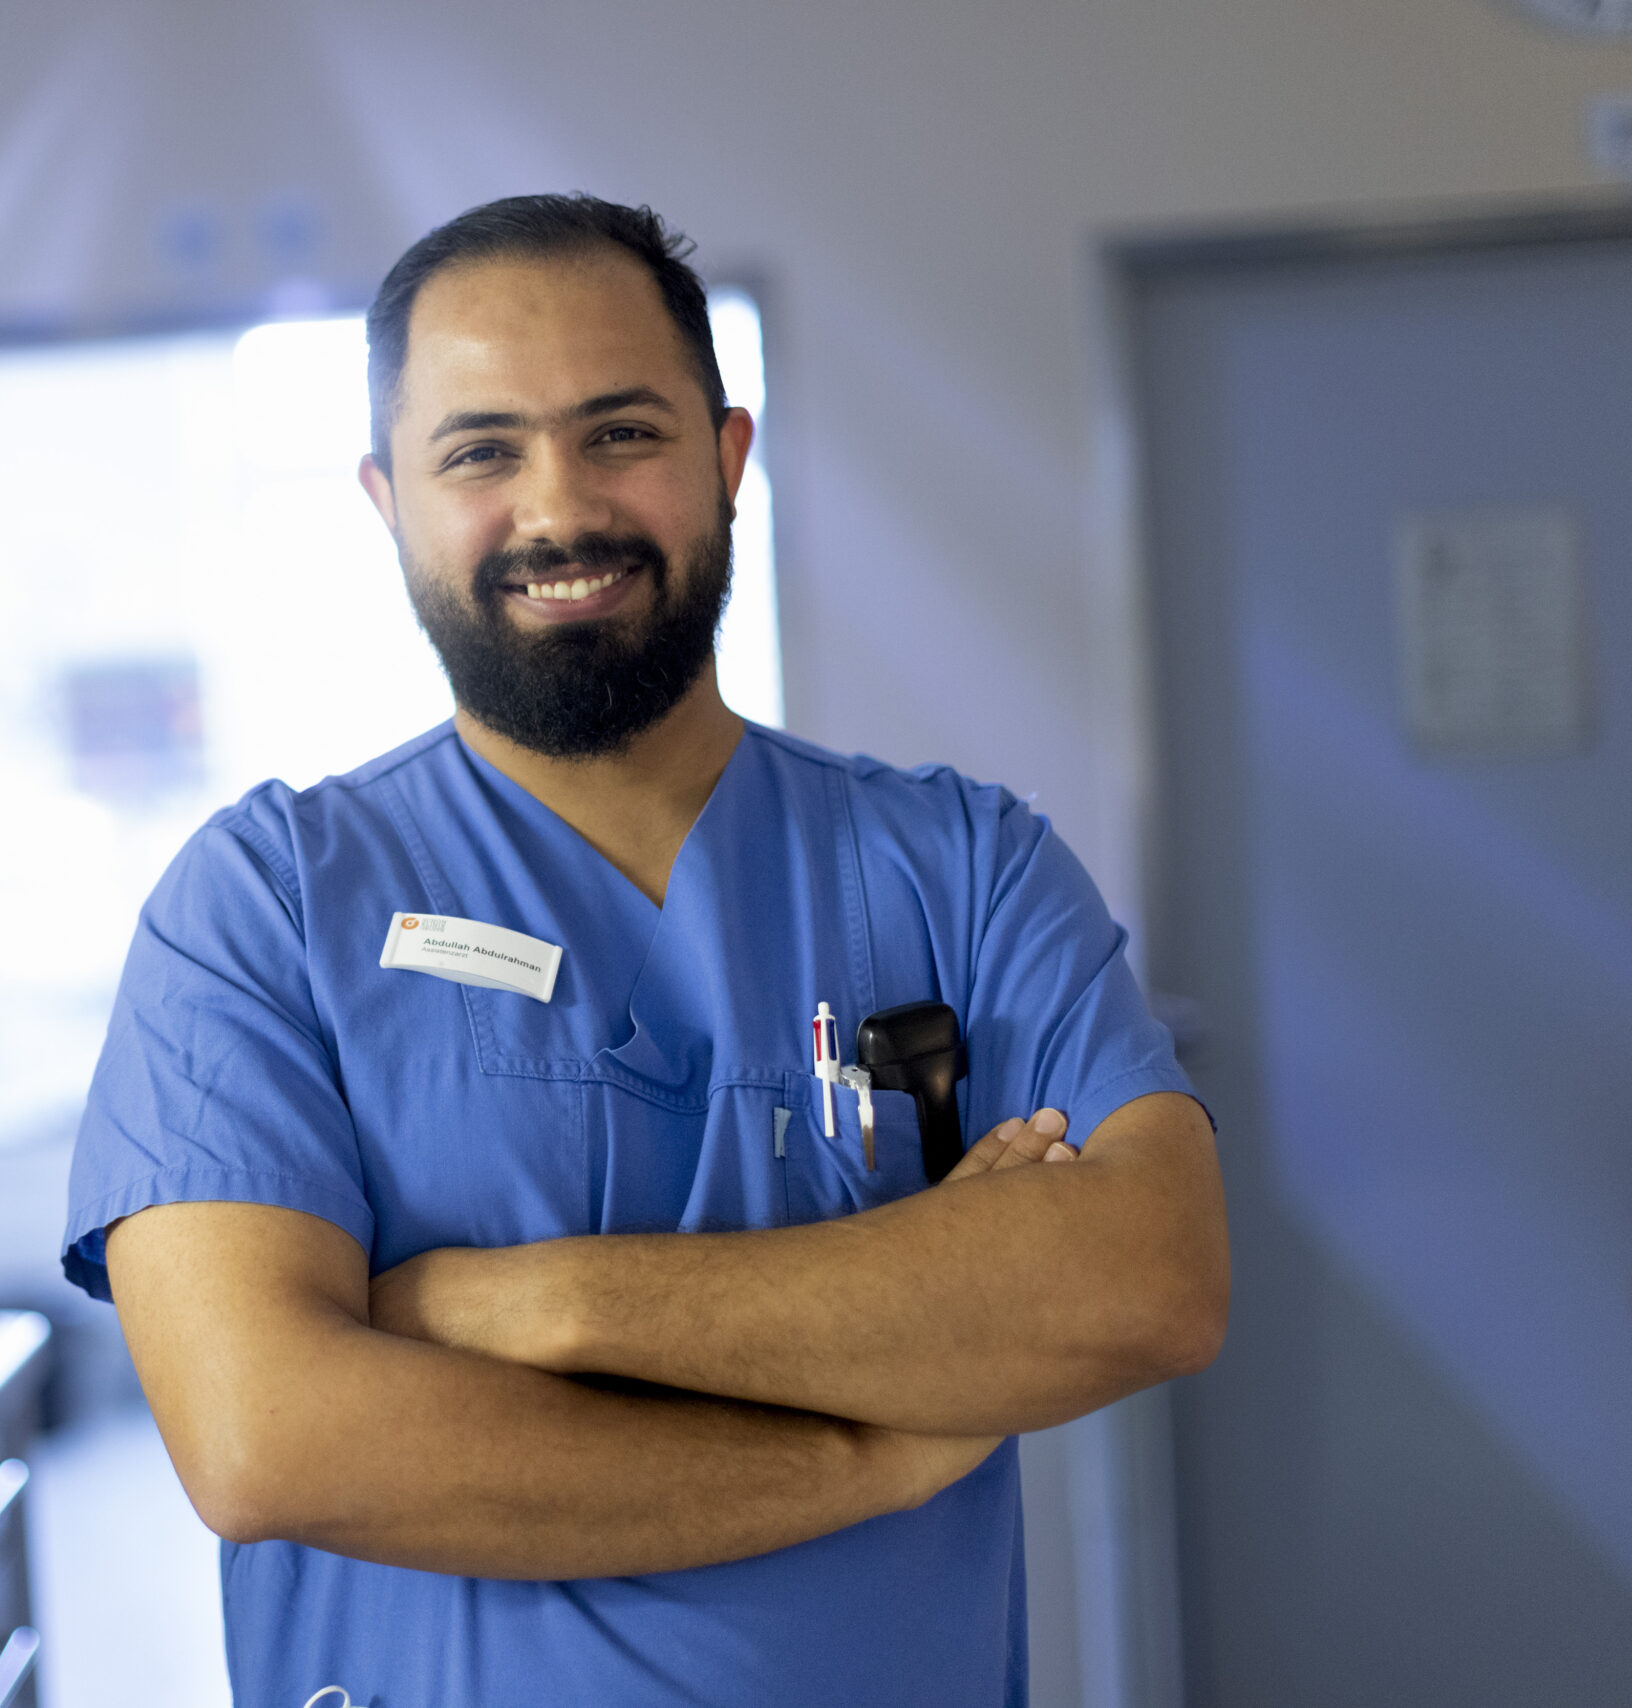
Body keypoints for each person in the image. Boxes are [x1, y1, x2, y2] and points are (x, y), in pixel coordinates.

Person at [61, 193, 1228, 1705]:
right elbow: (269, 1439)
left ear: (728, 459)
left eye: (622, 433)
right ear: (387, 499)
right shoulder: (264, 909)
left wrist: (537, 1305)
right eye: (481, 451)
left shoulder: (964, 867)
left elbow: (1147, 1284)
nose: (559, 511)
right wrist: (878, 1443)